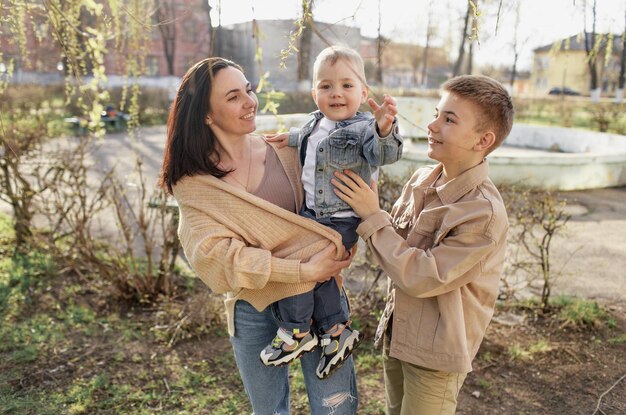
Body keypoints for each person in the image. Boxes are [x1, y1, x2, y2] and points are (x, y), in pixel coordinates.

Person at [159, 57, 359, 415]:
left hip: (320, 300)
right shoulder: (196, 185)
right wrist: (301, 270)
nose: (250, 101)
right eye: (233, 97)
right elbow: (215, 258)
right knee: (269, 412)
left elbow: (334, 212)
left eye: (248, 89)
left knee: (335, 408)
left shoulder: (288, 151)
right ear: (206, 114)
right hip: (255, 305)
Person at [332, 74, 514, 414]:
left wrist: (373, 216)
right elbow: (394, 248)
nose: (432, 125)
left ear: (483, 140)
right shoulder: (422, 180)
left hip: (435, 355)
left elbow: (421, 275)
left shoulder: (482, 213)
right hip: (398, 335)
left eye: (448, 119)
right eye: (436, 113)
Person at [264, 45, 404, 379]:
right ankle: (336, 332)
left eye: (346, 85)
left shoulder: (364, 130)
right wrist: (292, 137)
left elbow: (383, 153)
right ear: (315, 92)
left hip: (340, 217)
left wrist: (384, 127)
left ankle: (296, 331)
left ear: (363, 92)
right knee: (320, 273)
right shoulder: (315, 122)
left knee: (300, 265)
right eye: (326, 86)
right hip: (313, 214)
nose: (336, 93)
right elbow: (313, 138)